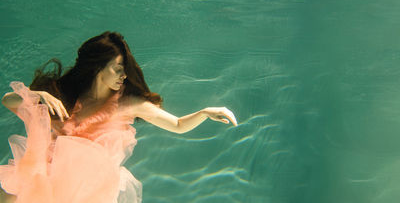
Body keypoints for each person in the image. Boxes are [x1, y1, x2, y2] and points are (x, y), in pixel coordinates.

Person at [0, 31, 238, 203]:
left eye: (125, 69)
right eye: (117, 68)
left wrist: (206, 112)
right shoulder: (61, 95)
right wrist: (36, 95)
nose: (124, 75)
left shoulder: (128, 104)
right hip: (41, 180)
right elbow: (7, 100)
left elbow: (176, 125)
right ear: (97, 67)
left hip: (87, 193)